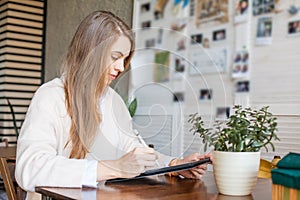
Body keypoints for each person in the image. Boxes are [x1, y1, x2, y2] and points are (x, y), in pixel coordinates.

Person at [15, 11, 212, 199]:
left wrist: (175, 164)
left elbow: (132, 149)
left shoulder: (113, 100)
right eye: (115, 57)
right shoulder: (52, 95)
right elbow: (30, 168)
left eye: (124, 59)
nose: (121, 67)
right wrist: (114, 168)